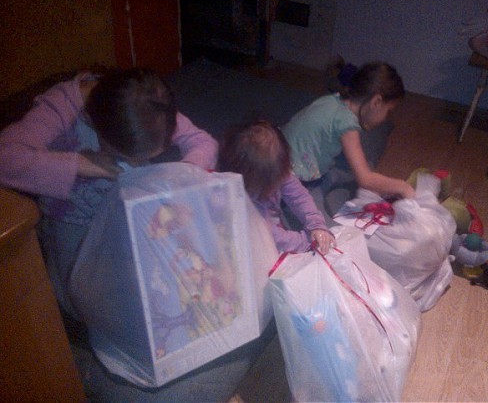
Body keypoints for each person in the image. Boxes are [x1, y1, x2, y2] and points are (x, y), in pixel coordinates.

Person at [0, 67, 218, 317]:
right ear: (92, 123)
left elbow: (204, 143)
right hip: (73, 216)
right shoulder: (64, 107)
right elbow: (5, 158)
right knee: (80, 294)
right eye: (128, 157)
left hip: (126, 203)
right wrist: (82, 164)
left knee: (152, 271)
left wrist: (179, 175)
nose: (137, 163)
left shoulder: (150, 109)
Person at [282, 61, 416, 219]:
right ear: (376, 102)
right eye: (389, 111)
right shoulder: (348, 125)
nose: (387, 117)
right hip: (284, 174)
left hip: (276, 148)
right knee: (315, 215)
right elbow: (365, 179)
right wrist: (403, 187)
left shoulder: (332, 100)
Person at [219, 119, 334, 254]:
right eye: (274, 183)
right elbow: (273, 238)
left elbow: (298, 195)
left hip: (271, 227)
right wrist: (308, 241)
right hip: (249, 243)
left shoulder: (275, 169)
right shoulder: (238, 203)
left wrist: (316, 224)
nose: (280, 183)